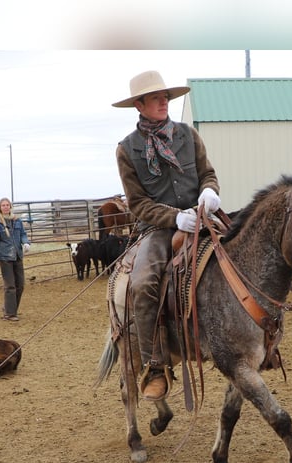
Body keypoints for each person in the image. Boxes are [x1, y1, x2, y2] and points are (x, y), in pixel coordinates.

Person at [112, 70, 221, 401]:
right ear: (140, 105)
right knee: (144, 283)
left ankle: (259, 338)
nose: (164, 102)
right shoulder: (127, 150)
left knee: (247, 250)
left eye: (166, 97)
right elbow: (138, 203)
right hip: (158, 229)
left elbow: (208, 173)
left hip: (201, 216)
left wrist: (209, 192)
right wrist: (174, 217)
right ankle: (155, 366)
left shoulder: (188, 135)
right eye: (156, 98)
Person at [0, 197, 30, 321]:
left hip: (17, 255)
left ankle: (10, 308)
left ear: (10, 206)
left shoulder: (17, 221)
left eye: (7, 205)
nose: (6, 207)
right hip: (5, 257)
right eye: (3, 205)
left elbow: (23, 234)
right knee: (10, 286)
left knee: (20, 285)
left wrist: (25, 242)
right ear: (0, 208)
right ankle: (9, 314)